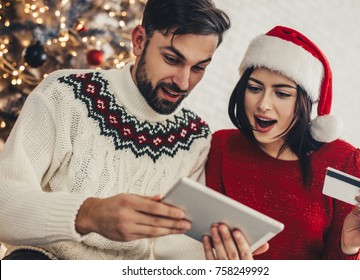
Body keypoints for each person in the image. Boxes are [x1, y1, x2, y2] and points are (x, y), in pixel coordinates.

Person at [0, 0, 248, 260]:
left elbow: (172, 253)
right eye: (172, 59)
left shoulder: (195, 138)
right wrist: (87, 214)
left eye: (199, 68)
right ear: (139, 41)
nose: (184, 82)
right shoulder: (64, 92)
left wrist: (221, 259)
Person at [204, 25, 360, 259]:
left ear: (304, 102)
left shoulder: (344, 161)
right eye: (254, 88)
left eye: (281, 93)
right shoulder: (222, 146)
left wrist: (349, 247)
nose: (263, 104)